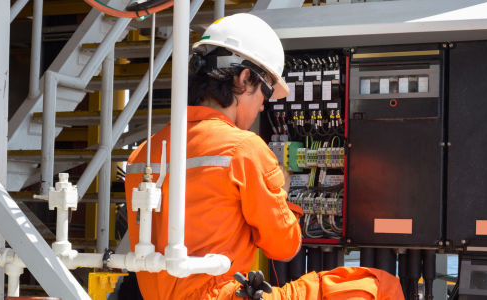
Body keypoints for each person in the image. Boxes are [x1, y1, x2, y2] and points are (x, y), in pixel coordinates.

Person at [125, 13, 404, 300]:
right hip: (220, 295)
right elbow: (285, 247)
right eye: (266, 90)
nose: (263, 107)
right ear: (245, 78)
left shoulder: (142, 154)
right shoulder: (243, 149)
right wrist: (281, 190)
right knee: (377, 285)